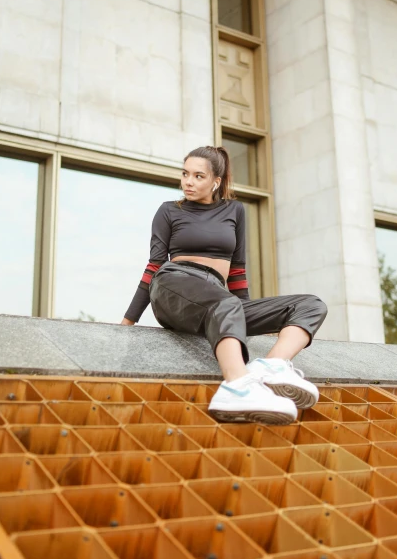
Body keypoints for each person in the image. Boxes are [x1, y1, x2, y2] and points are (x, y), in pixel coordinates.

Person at [121, 145, 327, 425]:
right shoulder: (169, 211)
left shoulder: (235, 210)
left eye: (198, 176)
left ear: (215, 181)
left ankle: (273, 364)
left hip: (218, 297)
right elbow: (153, 266)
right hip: (173, 285)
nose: (188, 182)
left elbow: (238, 270)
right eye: (185, 174)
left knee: (310, 304)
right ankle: (237, 386)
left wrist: (241, 312)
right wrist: (128, 321)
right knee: (224, 302)